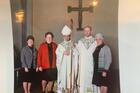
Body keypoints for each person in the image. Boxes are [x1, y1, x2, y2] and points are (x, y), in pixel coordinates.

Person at [56, 25, 79, 93]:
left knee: (71, 81)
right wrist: (63, 53)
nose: (66, 37)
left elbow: (77, 54)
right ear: (63, 36)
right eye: (65, 36)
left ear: (70, 36)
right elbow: (57, 53)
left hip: (71, 67)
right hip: (63, 67)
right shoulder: (60, 45)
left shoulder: (73, 44)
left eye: (68, 36)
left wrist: (74, 48)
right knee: (64, 81)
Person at [77, 25, 97, 93]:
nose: (87, 32)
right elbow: (77, 52)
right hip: (82, 65)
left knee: (90, 80)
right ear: (84, 32)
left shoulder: (95, 41)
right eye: (85, 31)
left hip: (91, 64)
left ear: (91, 31)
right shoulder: (80, 41)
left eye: (88, 31)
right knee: (82, 80)